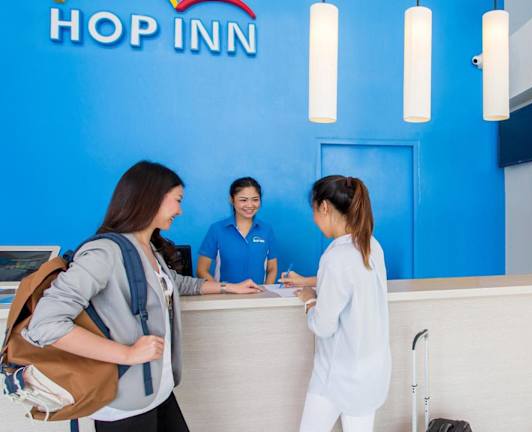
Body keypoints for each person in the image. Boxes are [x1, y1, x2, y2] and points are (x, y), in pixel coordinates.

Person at [22, 161, 262, 432]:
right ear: (152, 198)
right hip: (124, 402)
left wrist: (228, 287)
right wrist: (126, 353)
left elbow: (174, 283)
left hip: (156, 391)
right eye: (177, 200)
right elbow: (45, 324)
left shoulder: (147, 248)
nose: (180, 210)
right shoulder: (104, 253)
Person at [280, 175, 391, 432]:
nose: (314, 219)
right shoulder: (371, 245)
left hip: (338, 374)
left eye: (313, 211)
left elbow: (323, 326)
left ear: (324, 207)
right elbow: (354, 281)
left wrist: (309, 299)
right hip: (371, 371)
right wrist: (308, 280)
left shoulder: (335, 257)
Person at [197, 177, 278, 285]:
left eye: (255, 199)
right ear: (232, 200)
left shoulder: (266, 230)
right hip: (226, 294)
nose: (250, 205)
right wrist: (222, 290)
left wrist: (266, 291)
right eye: (243, 200)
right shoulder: (216, 229)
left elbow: (272, 268)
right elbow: (201, 270)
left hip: (259, 294)